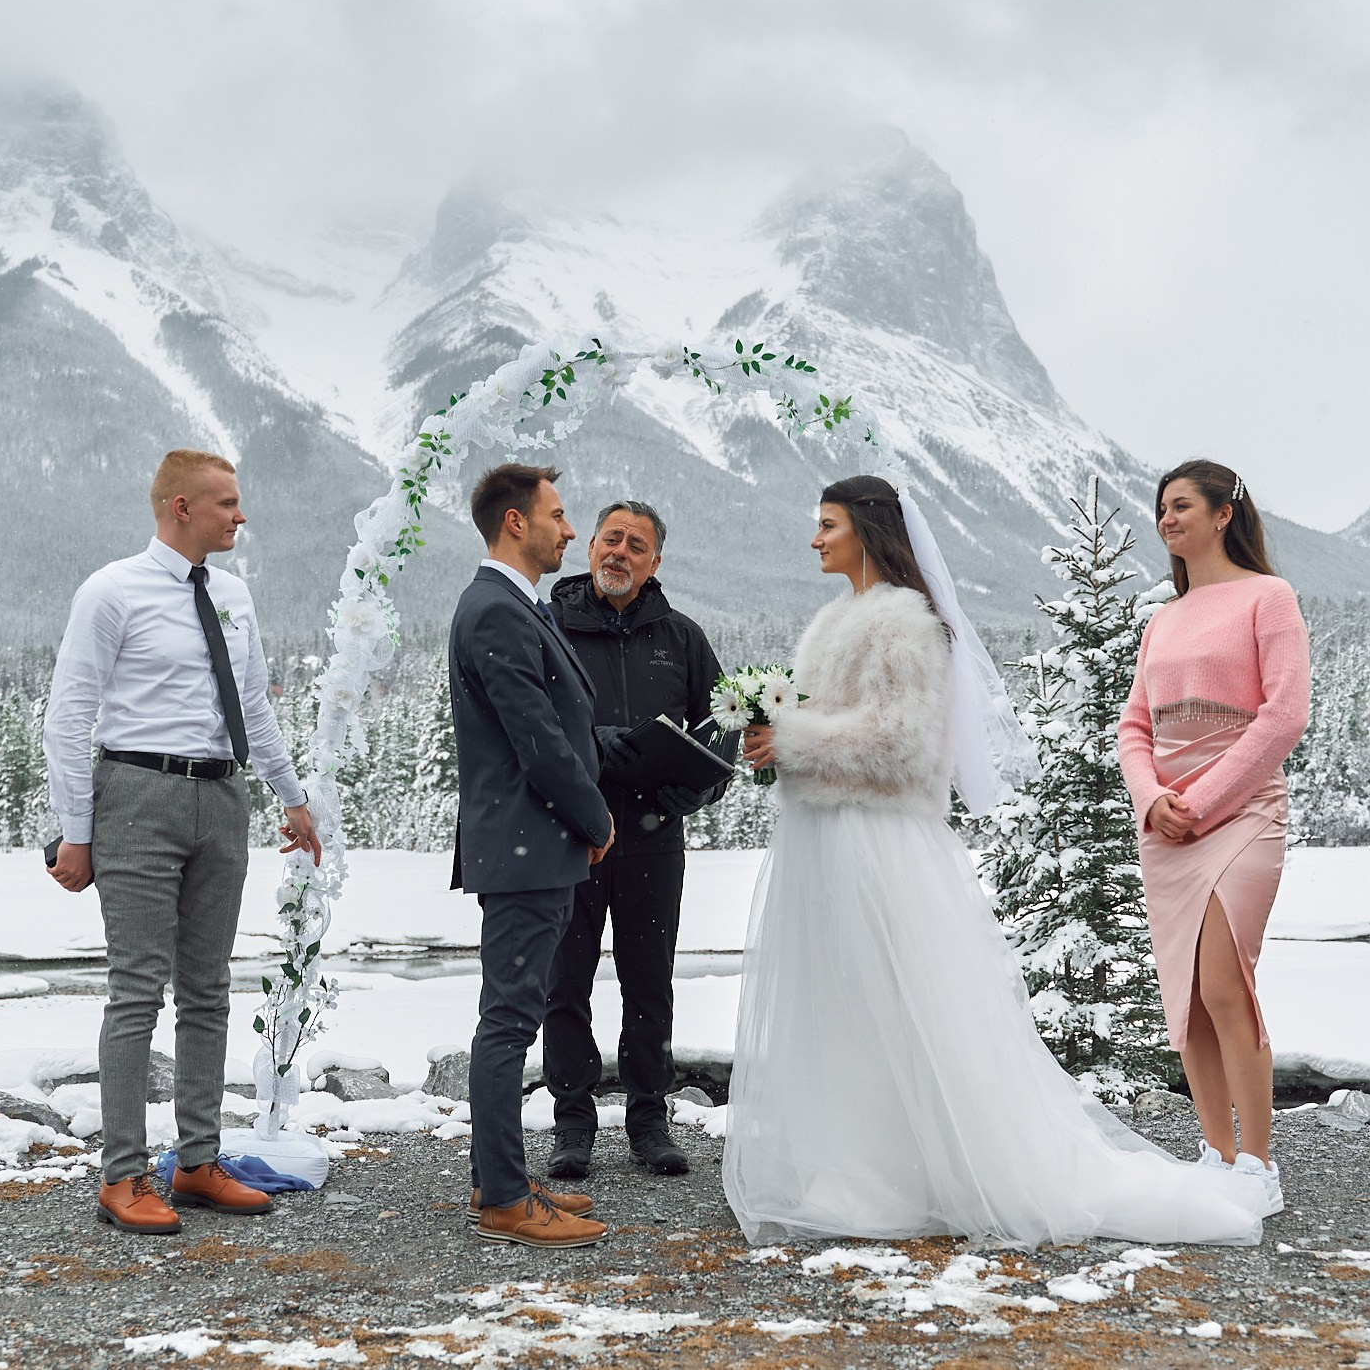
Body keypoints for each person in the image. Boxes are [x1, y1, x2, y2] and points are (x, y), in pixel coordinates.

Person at [724, 474, 1267, 1248]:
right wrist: (781, 737)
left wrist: (796, 738)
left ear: (868, 531)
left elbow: (901, 743)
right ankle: (855, 1164)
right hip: (831, 841)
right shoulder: (840, 619)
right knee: (845, 1009)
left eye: (828, 524)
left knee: (897, 1011)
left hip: (877, 846)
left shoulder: (904, 623)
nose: (815, 538)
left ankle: (895, 1175)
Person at [43, 448, 324, 1235]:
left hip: (220, 796)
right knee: (137, 988)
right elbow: (67, 717)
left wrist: (292, 797)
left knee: (208, 986)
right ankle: (123, 1173)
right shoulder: (111, 591)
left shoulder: (232, 595)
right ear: (180, 509)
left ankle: (198, 1159)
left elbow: (255, 708)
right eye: (227, 503)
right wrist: (77, 831)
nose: (240, 515)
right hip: (137, 794)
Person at [1116, 460, 1310, 1213]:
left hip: (1245, 812)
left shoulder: (1269, 596)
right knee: (1188, 998)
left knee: (1228, 985)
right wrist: (1152, 799)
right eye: (1161, 507)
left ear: (1225, 513)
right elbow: (1135, 725)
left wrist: (1202, 798)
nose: (1167, 519)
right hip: (1167, 823)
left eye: (1182, 505)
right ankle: (1215, 1153)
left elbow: (1284, 714)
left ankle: (1258, 1165)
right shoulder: (1164, 617)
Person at [446, 463, 612, 1250]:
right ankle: (505, 1199)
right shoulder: (496, 612)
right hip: (529, 842)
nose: (569, 529)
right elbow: (537, 737)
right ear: (516, 523)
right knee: (509, 1019)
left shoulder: (512, 606)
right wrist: (594, 814)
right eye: (558, 513)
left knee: (511, 1014)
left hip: (530, 843)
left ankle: (495, 1173)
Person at [543, 500, 733, 1180]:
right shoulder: (549, 628)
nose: (620, 552)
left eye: (637, 545)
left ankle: (650, 1119)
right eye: (611, 539)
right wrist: (592, 743)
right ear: (589, 547)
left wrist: (702, 786)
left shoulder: (680, 637)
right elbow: (529, 720)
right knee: (564, 983)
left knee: (648, 981)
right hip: (569, 835)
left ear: (655, 562)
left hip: (654, 835)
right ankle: (572, 1122)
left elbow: (723, 723)